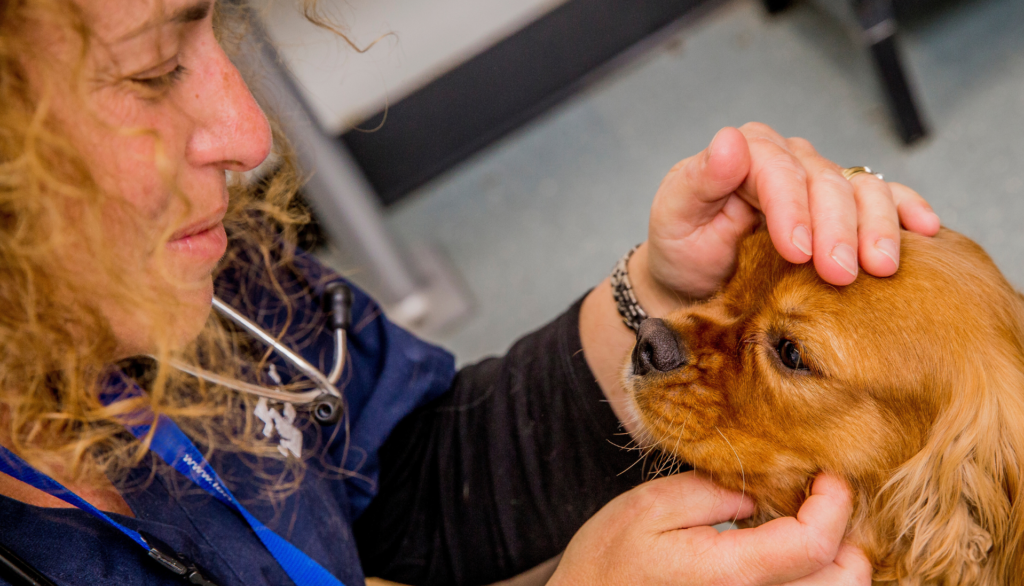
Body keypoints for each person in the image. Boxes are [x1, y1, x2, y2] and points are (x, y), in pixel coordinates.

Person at [0, 1, 941, 585]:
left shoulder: (210, 270)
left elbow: (401, 482)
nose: (253, 136)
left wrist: (654, 291)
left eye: (211, 23)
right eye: (150, 71)